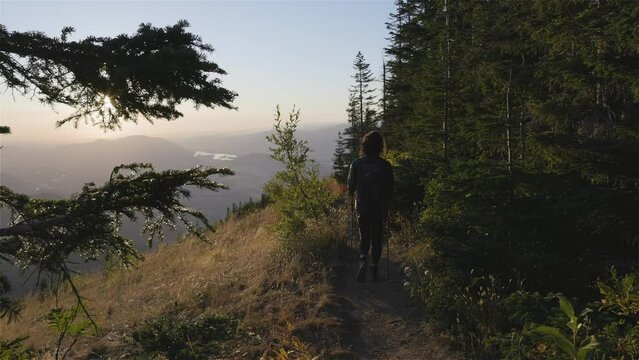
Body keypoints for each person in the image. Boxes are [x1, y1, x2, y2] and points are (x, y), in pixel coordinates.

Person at [347, 131, 394, 282]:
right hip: (379, 208)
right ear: (380, 146)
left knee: (364, 236)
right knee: (377, 238)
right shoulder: (385, 165)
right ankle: (374, 267)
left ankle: (362, 260)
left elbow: (350, 186)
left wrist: (352, 198)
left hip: (362, 206)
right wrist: (387, 206)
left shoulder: (356, 164)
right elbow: (390, 188)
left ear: (364, 146)